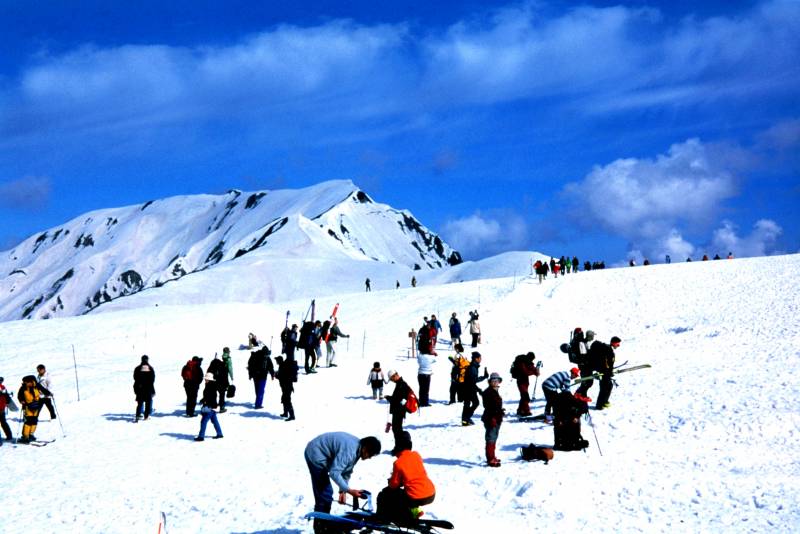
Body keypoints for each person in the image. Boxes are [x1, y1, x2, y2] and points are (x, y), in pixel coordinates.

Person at [304, 432, 381, 533]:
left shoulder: (357, 449)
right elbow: (334, 473)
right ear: (366, 448)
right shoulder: (350, 451)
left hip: (323, 453)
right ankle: (320, 528)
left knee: (326, 494)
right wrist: (349, 491)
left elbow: (346, 471)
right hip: (315, 454)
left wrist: (342, 491)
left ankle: (323, 524)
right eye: (370, 455)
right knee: (325, 494)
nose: (369, 457)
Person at [376, 431, 436, 523]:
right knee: (408, 492)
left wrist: (391, 480)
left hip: (415, 496)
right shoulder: (416, 455)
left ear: (397, 447)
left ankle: (382, 518)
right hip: (431, 493)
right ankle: (414, 511)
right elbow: (413, 475)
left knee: (385, 494)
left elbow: (393, 485)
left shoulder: (398, 463)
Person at [481, 372, 505, 467]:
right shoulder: (488, 392)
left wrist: (500, 411)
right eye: (493, 381)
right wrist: (493, 417)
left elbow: (495, 405)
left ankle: (492, 456)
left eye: (497, 381)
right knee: (490, 438)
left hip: (496, 418)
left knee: (494, 438)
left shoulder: (494, 391)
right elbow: (488, 406)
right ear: (490, 382)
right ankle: (490, 459)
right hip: (491, 419)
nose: (495, 382)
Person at [592, 336, 621, 410]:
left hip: (604, 372)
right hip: (604, 373)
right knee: (604, 388)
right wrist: (609, 372)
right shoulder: (609, 351)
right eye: (617, 344)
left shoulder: (607, 349)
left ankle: (604, 402)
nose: (618, 346)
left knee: (607, 386)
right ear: (613, 343)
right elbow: (607, 364)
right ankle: (600, 405)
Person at [386, 370, 412, 447]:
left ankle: (399, 447)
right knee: (396, 429)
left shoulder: (402, 385)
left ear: (395, 376)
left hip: (399, 411)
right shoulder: (400, 384)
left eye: (391, 379)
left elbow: (399, 399)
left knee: (397, 430)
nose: (392, 381)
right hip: (398, 410)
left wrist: (389, 398)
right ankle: (398, 447)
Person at [461, 351, 488, 426]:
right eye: (480, 358)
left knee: (467, 404)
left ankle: (465, 419)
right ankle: (466, 418)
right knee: (475, 403)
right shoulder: (473, 368)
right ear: (476, 359)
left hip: (467, 387)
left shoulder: (473, 366)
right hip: (470, 389)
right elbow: (473, 380)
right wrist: (484, 377)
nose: (480, 359)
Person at [195, 372, 223, 441]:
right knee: (215, 421)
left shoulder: (210, 386)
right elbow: (208, 396)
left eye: (206, 379)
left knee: (203, 421)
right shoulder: (211, 385)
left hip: (210, 407)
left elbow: (209, 397)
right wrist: (203, 400)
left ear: (209, 379)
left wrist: (205, 402)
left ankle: (201, 437)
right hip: (214, 407)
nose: (205, 380)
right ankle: (219, 434)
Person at [511, 352, 539, 416]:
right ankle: (526, 411)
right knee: (525, 396)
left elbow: (531, 367)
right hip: (521, 381)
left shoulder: (526, 361)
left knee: (524, 396)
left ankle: (520, 410)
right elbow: (525, 372)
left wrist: (536, 371)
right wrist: (534, 372)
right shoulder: (522, 362)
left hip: (525, 381)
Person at [17, 375, 41, 443]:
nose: (24, 383)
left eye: (25, 382)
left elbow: (43, 389)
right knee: (28, 421)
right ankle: (26, 436)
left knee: (34, 421)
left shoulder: (36, 385)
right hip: (27, 407)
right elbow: (19, 396)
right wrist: (21, 400)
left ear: (30, 382)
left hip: (35, 407)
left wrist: (49, 393)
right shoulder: (23, 388)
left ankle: (30, 435)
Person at [133, 355, 156, 422]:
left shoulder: (137, 368)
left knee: (140, 403)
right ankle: (146, 416)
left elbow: (135, 377)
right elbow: (152, 379)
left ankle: (137, 416)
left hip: (139, 388)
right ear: (147, 360)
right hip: (148, 388)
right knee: (148, 403)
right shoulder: (150, 368)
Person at [575, 330, 597, 397]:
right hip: (584, 367)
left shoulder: (586, 342)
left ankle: (580, 394)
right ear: (590, 336)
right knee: (587, 382)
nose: (593, 337)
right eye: (593, 335)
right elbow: (583, 356)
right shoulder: (582, 343)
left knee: (588, 382)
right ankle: (580, 395)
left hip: (586, 367)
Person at [275, 355, 297, 421]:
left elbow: (281, 376)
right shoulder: (283, 365)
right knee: (284, 399)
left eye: (276, 360)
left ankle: (292, 416)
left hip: (287, 387)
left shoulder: (283, 366)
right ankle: (285, 413)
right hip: (286, 387)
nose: (276, 362)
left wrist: (276, 375)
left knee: (287, 400)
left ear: (279, 361)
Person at [0, 377, 14, 444]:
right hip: (2, 408)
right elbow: (7, 399)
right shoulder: (3, 388)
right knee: (3, 423)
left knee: (3, 423)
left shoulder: (2, 388)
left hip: (1, 407)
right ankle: (9, 436)